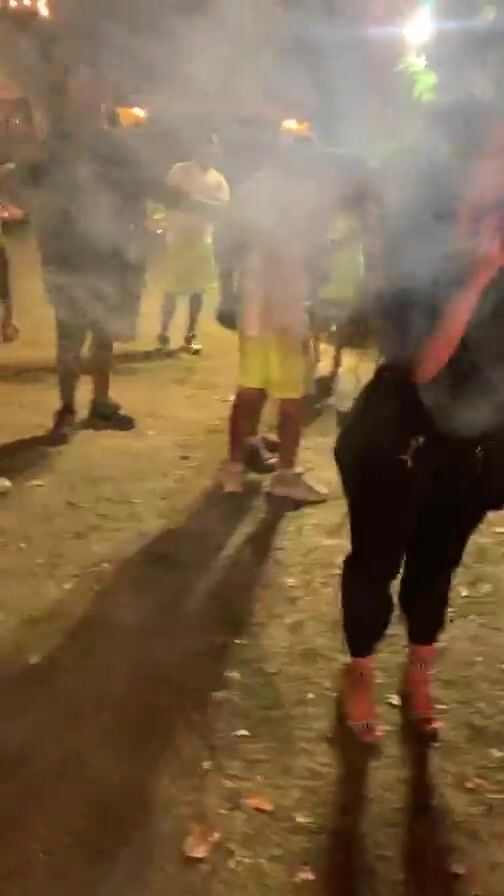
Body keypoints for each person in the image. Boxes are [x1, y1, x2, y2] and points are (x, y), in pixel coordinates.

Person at [335, 99, 504, 748]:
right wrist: (477, 278)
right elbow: (425, 366)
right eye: (494, 152)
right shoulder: (415, 246)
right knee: (376, 560)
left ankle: (419, 675)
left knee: (438, 563)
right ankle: (359, 673)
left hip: (476, 436)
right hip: (401, 429)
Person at [217, 137, 330, 503]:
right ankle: (285, 475)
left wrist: (228, 293)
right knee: (293, 399)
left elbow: (227, 241)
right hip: (285, 309)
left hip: (254, 307)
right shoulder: (301, 195)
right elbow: (303, 253)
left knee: (250, 390)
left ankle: (234, 470)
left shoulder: (253, 189)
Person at [36, 113, 148, 445]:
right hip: (73, 272)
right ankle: (67, 410)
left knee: (102, 340)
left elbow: (132, 227)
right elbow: (47, 226)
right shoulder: (66, 180)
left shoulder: (116, 185)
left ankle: (100, 403)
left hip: (106, 272)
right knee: (71, 345)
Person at [153, 135, 230, 354]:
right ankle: (164, 333)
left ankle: (190, 334)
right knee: (172, 289)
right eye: (205, 149)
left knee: (198, 291)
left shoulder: (218, 179)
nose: (209, 154)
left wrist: (194, 201)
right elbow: (169, 198)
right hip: (177, 238)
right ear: (196, 150)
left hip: (202, 239)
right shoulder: (179, 170)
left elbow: (222, 209)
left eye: (213, 150)